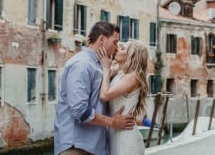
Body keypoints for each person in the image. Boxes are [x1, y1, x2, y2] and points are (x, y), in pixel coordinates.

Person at [54, 22, 135, 155]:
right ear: (102, 40)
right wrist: (113, 122)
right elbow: (79, 110)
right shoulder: (82, 64)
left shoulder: (100, 66)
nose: (116, 47)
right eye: (115, 42)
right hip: (76, 148)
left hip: (94, 147)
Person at [96, 40, 149, 155]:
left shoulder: (133, 76)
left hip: (127, 140)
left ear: (130, 56)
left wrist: (106, 68)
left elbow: (104, 95)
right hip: (116, 136)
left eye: (122, 48)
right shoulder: (120, 75)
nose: (117, 49)